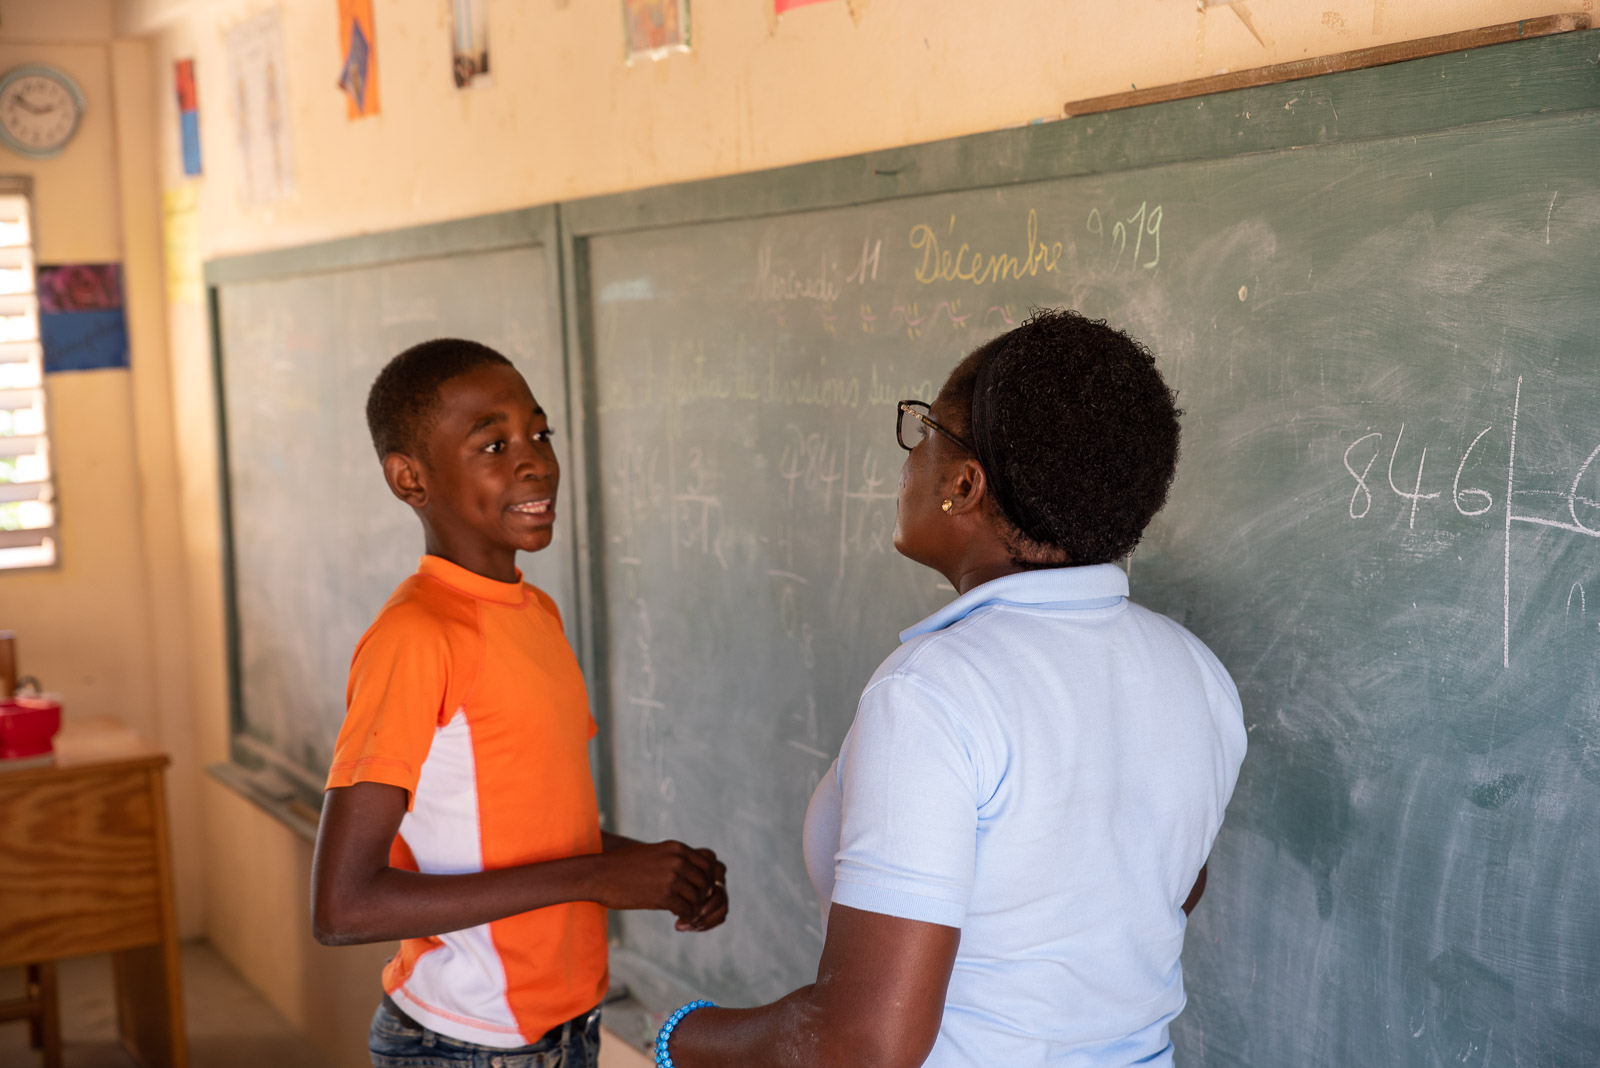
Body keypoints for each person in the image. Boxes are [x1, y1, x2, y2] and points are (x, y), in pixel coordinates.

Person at [658, 310, 1247, 1068]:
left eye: (924, 429)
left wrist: (681, 1037)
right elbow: (1163, 887)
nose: (909, 457)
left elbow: (862, 1045)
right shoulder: (1196, 672)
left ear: (961, 485)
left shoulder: (936, 693)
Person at [310, 339, 728, 1067]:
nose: (534, 460)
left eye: (540, 433)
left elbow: (526, 827)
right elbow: (345, 906)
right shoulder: (417, 635)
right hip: (461, 1045)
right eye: (494, 444)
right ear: (411, 479)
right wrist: (597, 877)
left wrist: (657, 871)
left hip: (566, 1027)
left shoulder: (535, 613)